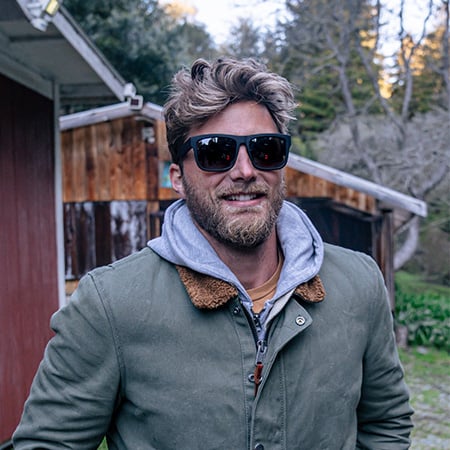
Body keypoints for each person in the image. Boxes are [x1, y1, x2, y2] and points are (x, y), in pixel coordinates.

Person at [13, 57, 413, 449]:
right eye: (216, 152)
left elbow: (386, 423)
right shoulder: (110, 304)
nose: (244, 170)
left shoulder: (359, 284)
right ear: (178, 179)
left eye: (266, 149)